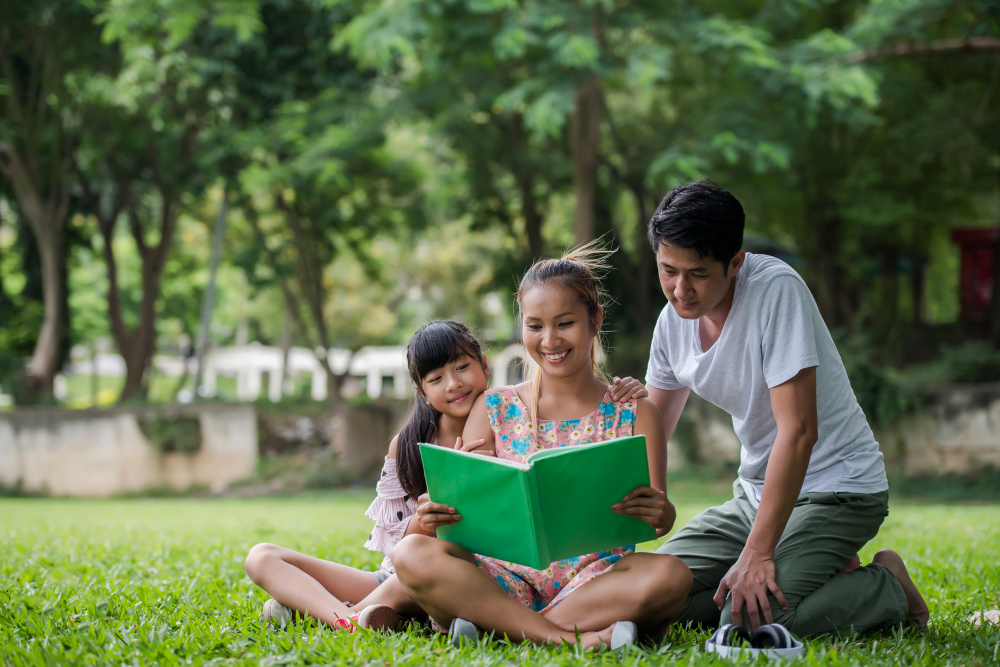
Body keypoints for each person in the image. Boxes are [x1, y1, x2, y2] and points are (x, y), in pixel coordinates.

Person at [644, 180, 929, 636]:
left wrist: (757, 554)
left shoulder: (775, 290)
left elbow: (798, 431)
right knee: (651, 594)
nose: (680, 289)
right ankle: (814, 566)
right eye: (668, 270)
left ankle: (886, 586)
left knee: (756, 619)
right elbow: (650, 430)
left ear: (735, 262)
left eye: (697, 273)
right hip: (756, 496)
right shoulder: (672, 323)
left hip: (838, 486)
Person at [244, 319, 648, 631]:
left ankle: (335, 616)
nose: (454, 385)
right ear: (422, 390)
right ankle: (351, 620)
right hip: (403, 573)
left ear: (484, 366)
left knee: (427, 574)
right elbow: (397, 549)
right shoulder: (407, 444)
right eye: (436, 379)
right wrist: (422, 523)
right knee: (261, 556)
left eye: (462, 368)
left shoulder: (510, 420)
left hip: (471, 574)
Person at [390, 244, 693, 650]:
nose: (550, 340)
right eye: (535, 326)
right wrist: (443, 510)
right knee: (412, 552)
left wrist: (663, 512)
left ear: (595, 319)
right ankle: (561, 638)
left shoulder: (634, 412)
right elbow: (470, 516)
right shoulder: (494, 405)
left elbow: (657, 522)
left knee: (672, 575)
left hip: (595, 582)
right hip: (502, 578)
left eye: (565, 323)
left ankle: (497, 628)